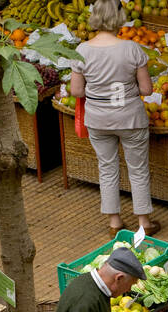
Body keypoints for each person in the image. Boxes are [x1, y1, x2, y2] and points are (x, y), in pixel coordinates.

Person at [68, 1, 158, 236]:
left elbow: (76, 91)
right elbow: (147, 90)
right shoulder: (132, 49)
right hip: (130, 118)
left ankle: (115, 222)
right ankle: (144, 223)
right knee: (138, 169)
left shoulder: (82, 51)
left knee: (107, 168)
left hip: (98, 119)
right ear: (119, 17)